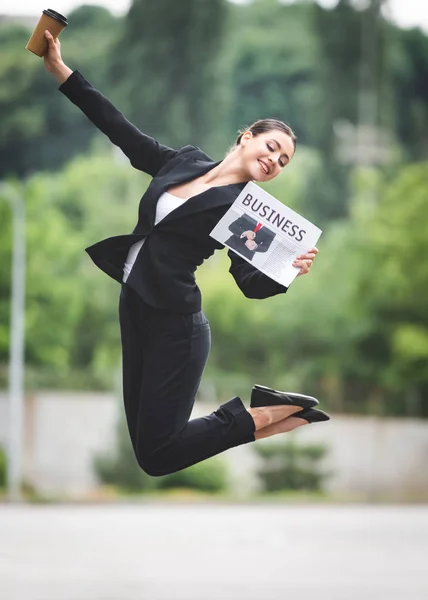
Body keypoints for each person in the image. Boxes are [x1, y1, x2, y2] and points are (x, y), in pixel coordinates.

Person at [43, 30, 329, 477]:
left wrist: (287, 271)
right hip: (135, 304)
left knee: (158, 456)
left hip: (176, 325)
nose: (275, 160)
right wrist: (63, 73)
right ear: (247, 137)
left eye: (284, 161)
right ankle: (268, 417)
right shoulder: (185, 161)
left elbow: (249, 283)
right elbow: (123, 132)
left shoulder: (246, 211)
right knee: (147, 451)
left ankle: (262, 416)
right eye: (272, 147)